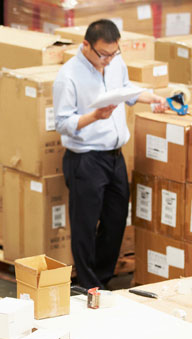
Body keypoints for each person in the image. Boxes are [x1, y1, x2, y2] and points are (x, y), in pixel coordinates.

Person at [53, 19, 167, 289]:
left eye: (113, 54)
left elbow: (124, 90)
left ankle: (102, 279)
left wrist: (152, 98)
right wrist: (94, 116)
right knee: (85, 226)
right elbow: (62, 123)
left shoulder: (115, 62)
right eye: (103, 54)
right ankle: (88, 286)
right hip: (86, 159)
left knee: (116, 221)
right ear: (86, 46)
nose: (108, 60)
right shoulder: (68, 76)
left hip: (115, 156)